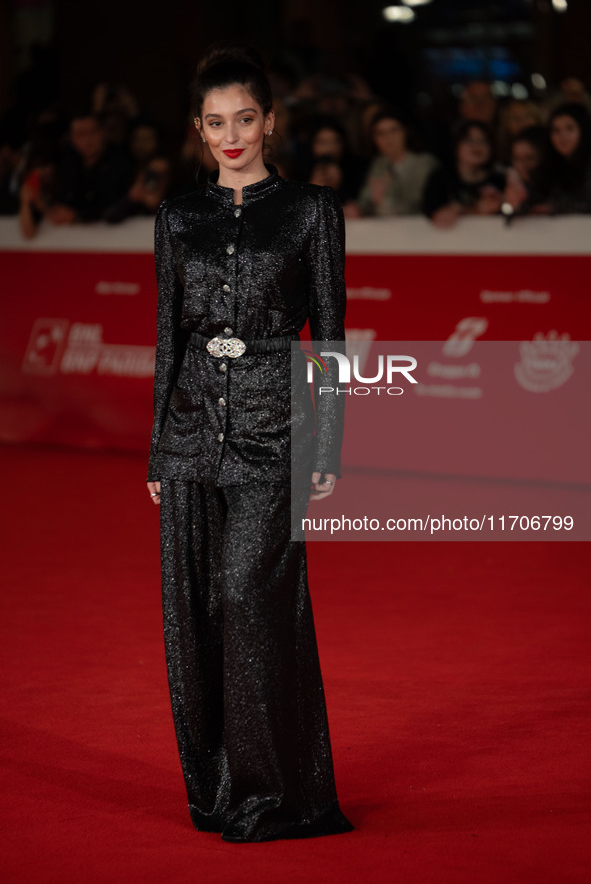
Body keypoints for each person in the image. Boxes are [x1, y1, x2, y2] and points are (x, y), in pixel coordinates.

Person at [145, 42, 354, 843]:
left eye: (244, 119)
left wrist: (328, 445)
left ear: (269, 120)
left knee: (247, 596)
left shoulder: (311, 210)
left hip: (277, 427)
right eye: (214, 123)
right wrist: (161, 445)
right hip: (193, 426)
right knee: (197, 610)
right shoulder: (178, 217)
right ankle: (221, 785)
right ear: (199, 132)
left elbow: (329, 335)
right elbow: (167, 337)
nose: (231, 135)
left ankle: (281, 793)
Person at [346, 108, 437, 217]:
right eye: (381, 133)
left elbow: (417, 207)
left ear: (405, 131)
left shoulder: (424, 163)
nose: (388, 138)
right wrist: (357, 209)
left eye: (393, 130)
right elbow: (367, 201)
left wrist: (382, 201)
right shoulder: (378, 164)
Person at [422, 119, 505, 228]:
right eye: (469, 140)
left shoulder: (499, 179)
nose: (476, 146)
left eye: (483, 141)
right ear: (456, 145)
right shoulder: (440, 178)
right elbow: (431, 212)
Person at [547, 102, 591, 214]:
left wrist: (553, 207)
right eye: (556, 130)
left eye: (569, 128)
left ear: (583, 130)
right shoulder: (551, 164)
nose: (562, 136)